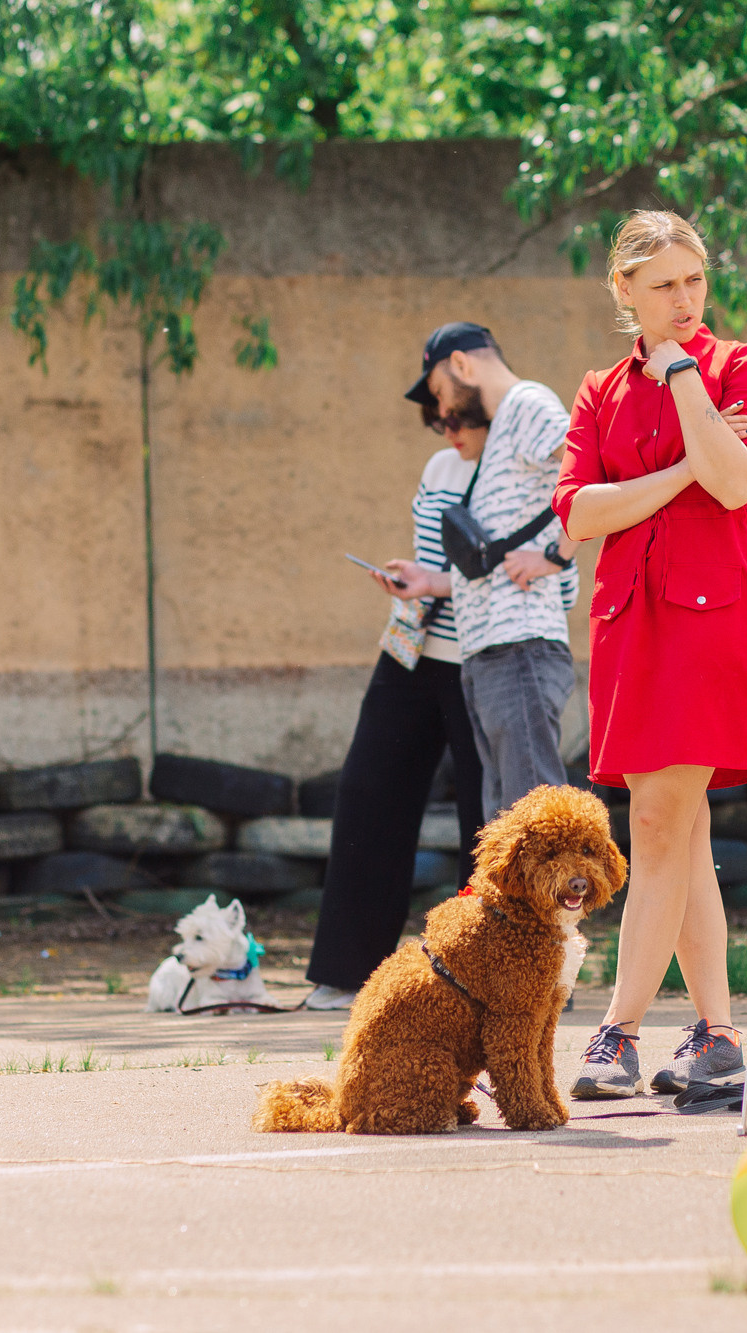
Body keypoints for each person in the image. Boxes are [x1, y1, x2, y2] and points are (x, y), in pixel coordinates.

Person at [552, 211, 747, 1098]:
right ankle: (718, 1032)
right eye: (663, 287)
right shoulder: (597, 390)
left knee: (654, 828)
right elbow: (576, 516)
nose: (685, 300)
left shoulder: (737, 367)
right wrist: (676, 472)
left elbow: (734, 480)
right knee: (681, 837)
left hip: (705, 626)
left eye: (695, 280)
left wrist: (683, 374)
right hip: (628, 628)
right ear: (624, 293)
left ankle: (618, 1031)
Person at [300, 354, 496, 1011]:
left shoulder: (519, 462)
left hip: (486, 653)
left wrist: (442, 581)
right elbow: (442, 563)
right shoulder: (439, 468)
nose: (445, 426)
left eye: (452, 411)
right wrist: (411, 576)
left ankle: (498, 974)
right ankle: (349, 971)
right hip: (415, 649)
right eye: (435, 417)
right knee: (367, 790)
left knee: (488, 815)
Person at [413, 323, 584, 819]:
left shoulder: (527, 404)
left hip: (520, 648)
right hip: (491, 653)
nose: (444, 412)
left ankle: (556, 904)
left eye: (442, 393)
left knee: (534, 824)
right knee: (507, 824)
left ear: (463, 365)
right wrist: (432, 582)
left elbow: (590, 467)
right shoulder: (504, 429)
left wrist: (557, 556)